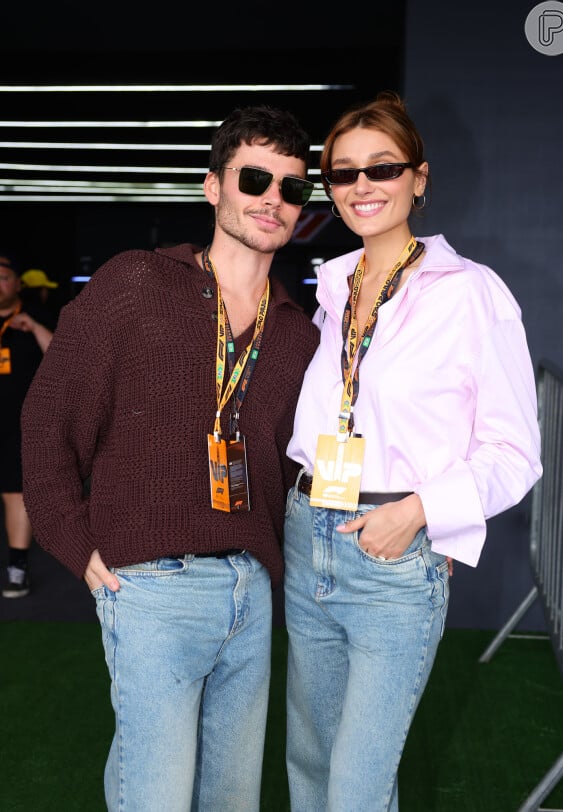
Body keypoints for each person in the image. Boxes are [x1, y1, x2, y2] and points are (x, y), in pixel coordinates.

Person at [20, 105, 320, 811]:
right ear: (213, 186)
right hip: (152, 586)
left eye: (293, 188)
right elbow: (47, 417)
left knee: (230, 801)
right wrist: (72, 539)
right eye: (254, 179)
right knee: (152, 797)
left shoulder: (299, 334)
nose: (273, 200)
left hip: (251, 591)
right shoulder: (136, 283)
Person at [283, 90, 543, 812]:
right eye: (343, 174)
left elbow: (516, 452)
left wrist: (419, 511)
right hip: (310, 535)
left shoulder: (472, 294)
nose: (362, 186)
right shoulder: (332, 287)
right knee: (310, 760)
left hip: (396, 556)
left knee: (357, 786)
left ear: (418, 179)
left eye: (383, 168)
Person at [0, 253, 54, 598]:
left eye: (3, 277)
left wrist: (34, 328)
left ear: (17, 284)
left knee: (16, 494)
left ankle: (17, 568)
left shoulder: (38, 318)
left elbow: (65, 361)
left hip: (18, 422)